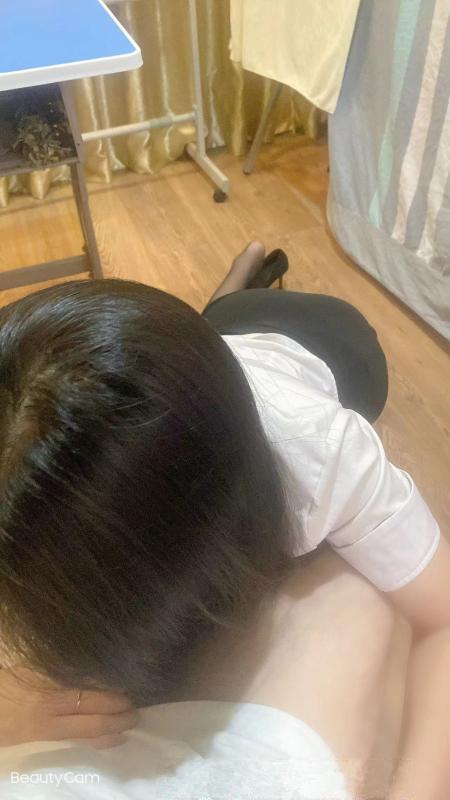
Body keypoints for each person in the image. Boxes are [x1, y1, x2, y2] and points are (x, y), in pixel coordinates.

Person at [0, 243, 448, 799]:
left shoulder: (321, 454)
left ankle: (240, 288)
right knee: (211, 333)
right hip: (194, 363)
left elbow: (443, 618)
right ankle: (234, 285)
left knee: (253, 329)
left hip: (318, 339)